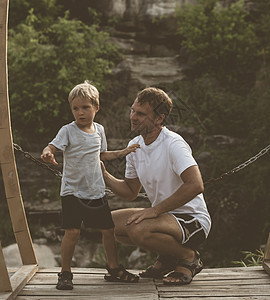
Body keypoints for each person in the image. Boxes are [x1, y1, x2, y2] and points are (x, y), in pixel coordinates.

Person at [101, 87, 211, 285]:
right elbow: (130, 192)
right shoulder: (135, 145)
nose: (133, 117)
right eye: (133, 110)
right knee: (107, 224)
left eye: (141, 114)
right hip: (163, 217)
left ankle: (188, 257)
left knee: (138, 229)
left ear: (159, 119)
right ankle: (167, 257)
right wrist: (105, 175)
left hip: (192, 221)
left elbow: (196, 185)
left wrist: (155, 210)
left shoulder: (173, 144)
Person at [41, 80, 140, 290]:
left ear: (96, 107)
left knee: (108, 229)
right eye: (75, 108)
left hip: (96, 190)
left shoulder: (99, 130)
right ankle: (65, 272)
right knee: (73, 232)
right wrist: (48, 152)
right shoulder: (67, 130)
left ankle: (114, 268)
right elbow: (52, 145)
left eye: (85, 107)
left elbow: (101, 154)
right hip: (72, 191)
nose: (80, 112)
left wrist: (122, 152)